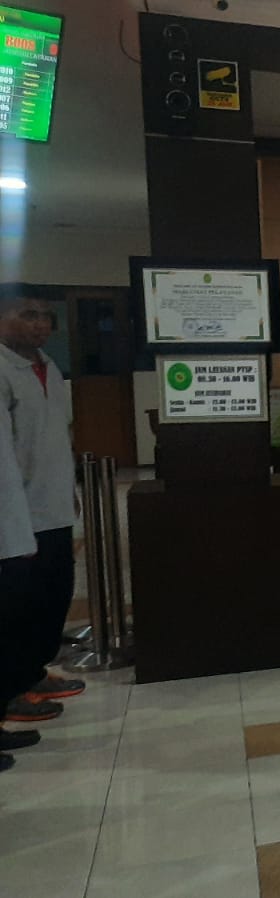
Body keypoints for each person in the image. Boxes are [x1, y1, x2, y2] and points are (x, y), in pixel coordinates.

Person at [0, 284, 84, 760]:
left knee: (52, 600)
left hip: (51, 511)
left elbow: (58, 436)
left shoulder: (48, 366)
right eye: (27, 314)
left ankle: (30, 674)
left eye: (45, 317)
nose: (39, 325)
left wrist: (68, 488)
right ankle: (12, 689)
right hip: (16, 519)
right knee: (16, 610)